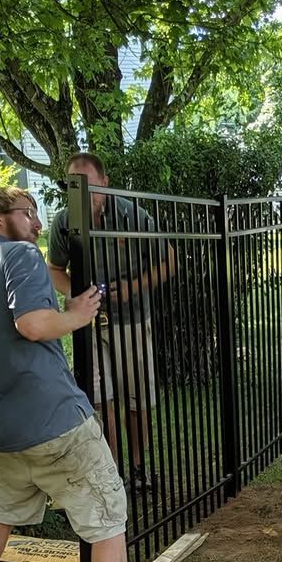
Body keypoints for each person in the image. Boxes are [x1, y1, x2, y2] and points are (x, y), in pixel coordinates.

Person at [0, 185, 168, 562]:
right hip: (54, 422)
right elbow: (31, 323)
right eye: (26, 213)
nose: (34, 224)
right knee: (109, 515)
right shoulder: (19, 256)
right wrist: (77, 315)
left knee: (1, 510)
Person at [46, 152, 175, 487]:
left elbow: (169, 261)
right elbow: (54, 270)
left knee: (136, 400)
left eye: (89, 185)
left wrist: (133, 287)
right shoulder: (64, 222)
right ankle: (111, 472)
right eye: (75, 185)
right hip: (88, 325)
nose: (83, 193)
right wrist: (77, 297)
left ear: (104, 182)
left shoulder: (132, 215)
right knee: (100, 400)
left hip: (131, 321)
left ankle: (137, 469)